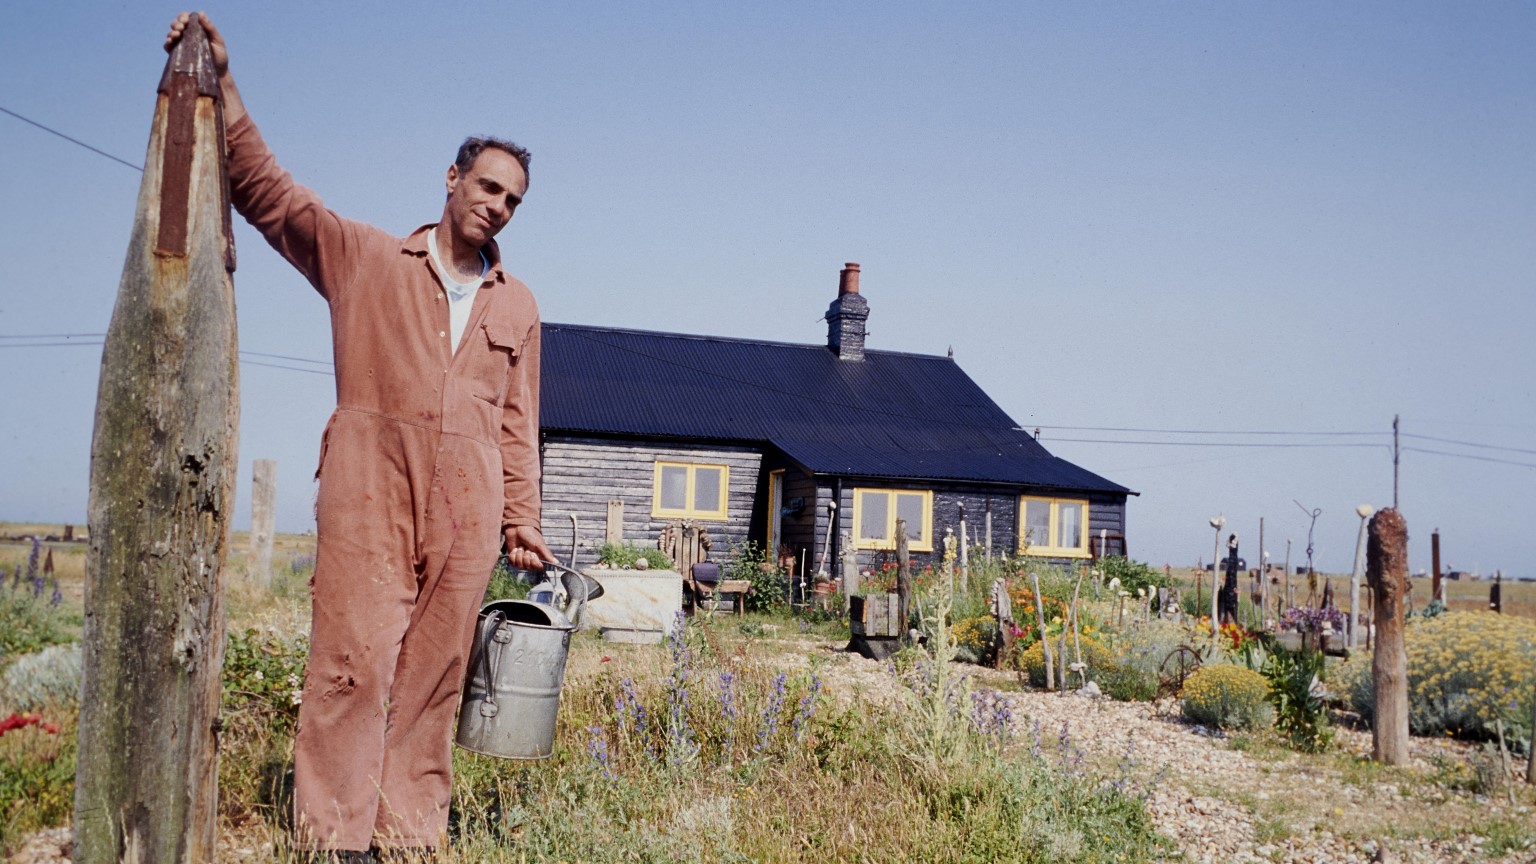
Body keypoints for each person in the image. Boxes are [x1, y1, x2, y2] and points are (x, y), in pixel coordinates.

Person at [165, 13, 554, 861]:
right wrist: (224, 87)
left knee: (434, 675)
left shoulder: (517, 305)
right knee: (354, 660)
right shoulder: (367, 259)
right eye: (489, 188)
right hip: (372, 478)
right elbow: (270, 195)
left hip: (471, 497)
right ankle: (334, 836)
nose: (499, 208)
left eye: (514, 200)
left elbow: (519, 420)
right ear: (450, 180)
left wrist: (522, 517)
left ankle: (409, 836)